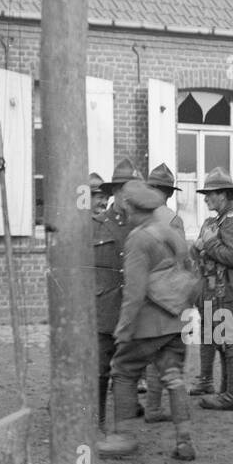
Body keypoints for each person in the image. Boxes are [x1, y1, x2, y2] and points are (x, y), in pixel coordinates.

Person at [97, 180, 196, 461]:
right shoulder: (171, 232)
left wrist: (123, 329)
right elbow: (189, 272)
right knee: (173, 376)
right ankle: (184, 439)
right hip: (175, 320)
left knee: (123, 370)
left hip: (147, 325)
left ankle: (124, 436)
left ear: (131, 208)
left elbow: (135, 291)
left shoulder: (138, 238)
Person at [192, 167, 233, 410]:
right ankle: (227, 392)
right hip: (214, 290)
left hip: (227, 291)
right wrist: (198, 247)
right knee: (223, 342)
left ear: (225, 195)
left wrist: (208, 243)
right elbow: (200, 254)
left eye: (211, 193)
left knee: (230, 342)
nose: (206, 198)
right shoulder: (215, 221)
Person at [91, 158, 138, 427]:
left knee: (127, 372)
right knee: (99, 371)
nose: (127, 196)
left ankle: (123, 428)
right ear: (114, 193)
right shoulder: (96, 225)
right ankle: (96, 424)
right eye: (122, 190)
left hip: (131, 310)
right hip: (104, 309)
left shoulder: (141, 225)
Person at [142, 163, 187, 422]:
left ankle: (152, 406)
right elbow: (182, 258)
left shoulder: (139, 217)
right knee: (171, 351)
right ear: (169, 193)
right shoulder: (173, 219)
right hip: (168, 294)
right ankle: (166, 409)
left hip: (145, 292)